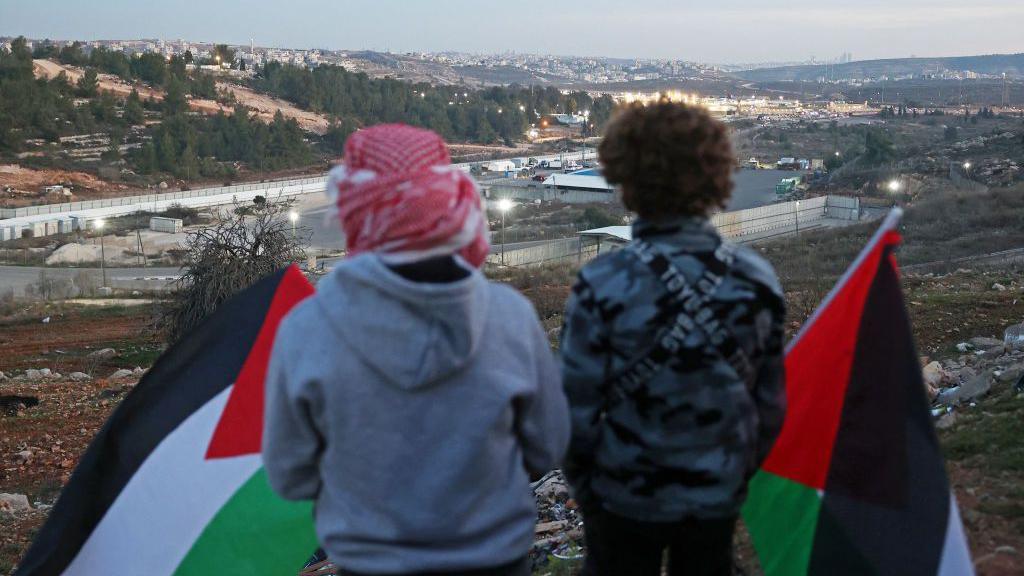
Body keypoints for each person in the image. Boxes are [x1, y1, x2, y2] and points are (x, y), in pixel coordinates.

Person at [263, 124, 570, 576]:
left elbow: (290, 474)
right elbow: (547, 448)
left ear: (352, 208)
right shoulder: (509, 317)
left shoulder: (307, 329)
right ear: (451, 201)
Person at [559, 102, 787, 576]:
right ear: (718, 175)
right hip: (716, 495)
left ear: (625, 178)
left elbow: (574, 414)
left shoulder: (602, 282)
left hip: (623, 498)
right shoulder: (757, 278)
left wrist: (591, 492)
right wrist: (733, 476)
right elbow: (769, 407)